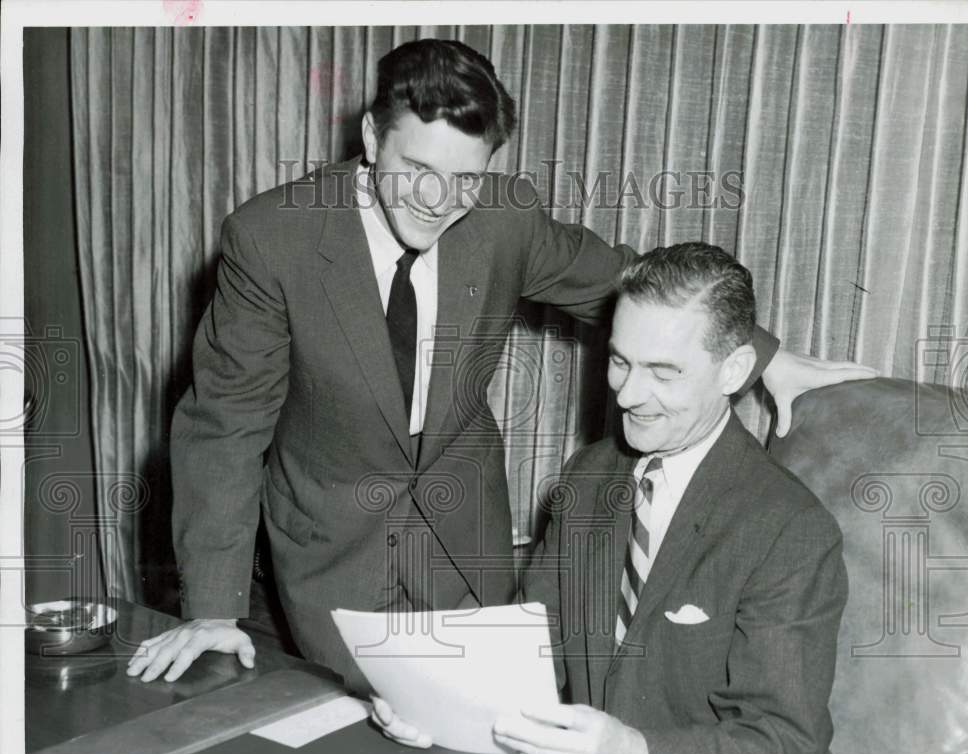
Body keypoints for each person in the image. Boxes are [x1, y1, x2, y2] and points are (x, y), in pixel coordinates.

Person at [127, 40, 873, 704]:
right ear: (369, 137)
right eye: (416, 168)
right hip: (330, 550)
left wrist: (768, 359)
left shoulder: (503, 220)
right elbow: (225, 426)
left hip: (464, 537)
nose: (437, 201)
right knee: (354, 737)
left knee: (478, 728)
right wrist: (213, 611)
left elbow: (631, 282)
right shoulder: (273, 239)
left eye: (465, 179)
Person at [489, 243, 850, 754]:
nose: (628, 394)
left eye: (663, 371)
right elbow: (533, 644)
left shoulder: (789, 530)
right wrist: (441, 706)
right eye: (619, 360)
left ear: (734, 371)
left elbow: (783, 743)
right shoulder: (589, 476)